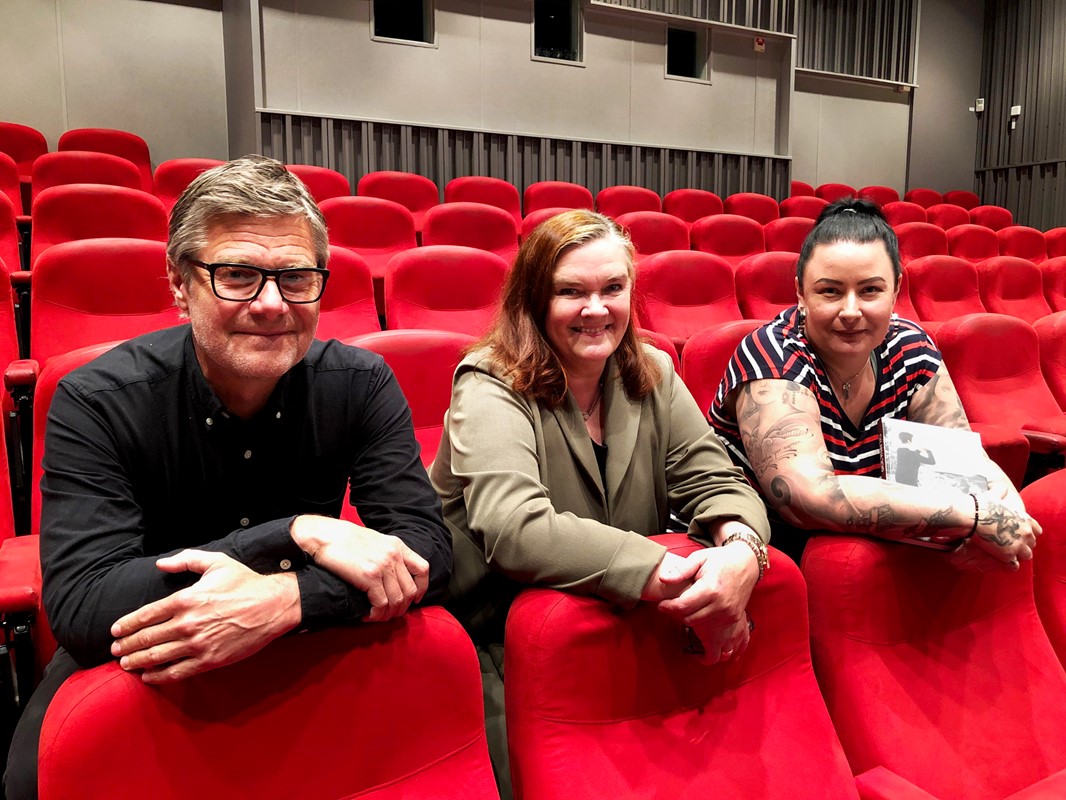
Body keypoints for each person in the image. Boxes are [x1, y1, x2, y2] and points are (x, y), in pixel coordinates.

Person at [4, 156, 451, 800]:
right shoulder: (95, 398)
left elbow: (432, 552)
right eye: (237, 276)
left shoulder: (362, 382)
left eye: (297, 278)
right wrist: (293, 533)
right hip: (146, 657)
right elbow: (83, 604)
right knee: (29, 776)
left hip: (304, 642)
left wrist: (289, 600)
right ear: (180, 285)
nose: (272, 304)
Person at [430, 209, 770, 796]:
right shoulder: (490, 381)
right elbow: (515, 528)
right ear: (535, 299)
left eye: (613, 288)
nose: (596, 309)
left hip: (615, 619)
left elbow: (718, 480)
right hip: (499, 642)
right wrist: (672, 575)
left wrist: (741, 554)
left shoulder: (653, 371)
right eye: (571, 292)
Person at [710, 198, 1039, 569]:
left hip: (867, 550)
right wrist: (975, 515)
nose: (851, 312)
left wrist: (1009, 510)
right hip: (762, 550)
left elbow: (963, 462)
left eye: (870, 290)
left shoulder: (910, 346)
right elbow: (805, 498)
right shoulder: (771, 354)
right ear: (801, 293)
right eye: (830, 291)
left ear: (896, 290)